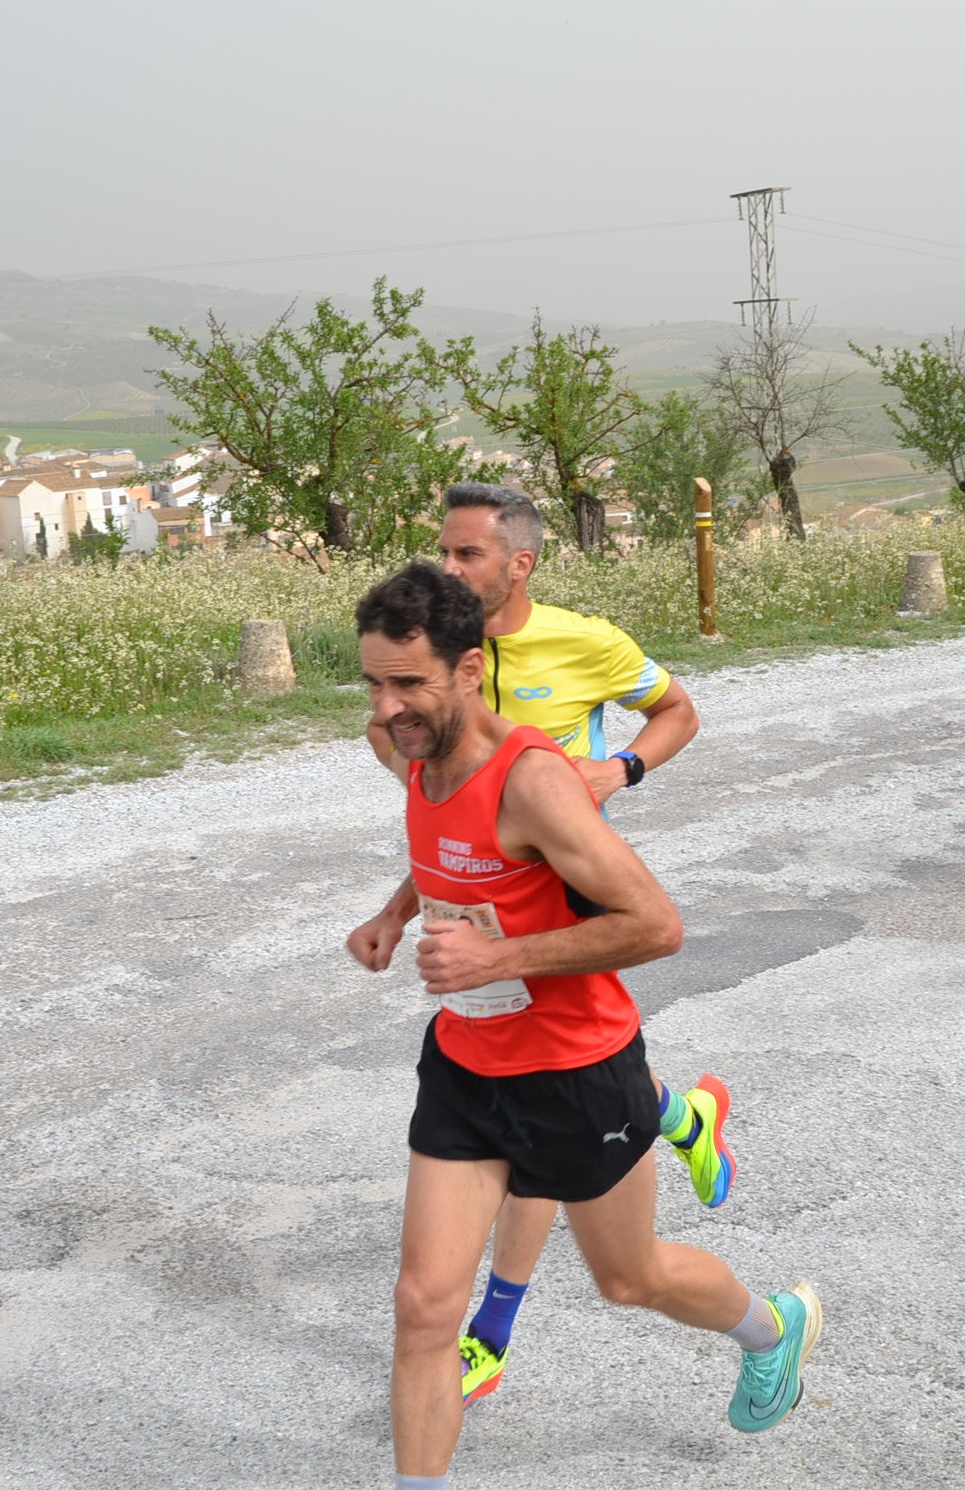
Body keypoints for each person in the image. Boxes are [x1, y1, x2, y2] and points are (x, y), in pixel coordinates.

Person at [346, 562, 821, 1487]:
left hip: (577, 1071)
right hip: (466, 1067)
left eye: (409, 684)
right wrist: (397, 913)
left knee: (628, 1279)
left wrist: (499, 958)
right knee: (422, 1308)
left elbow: (657, 925)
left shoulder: (535, 783)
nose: (387, 707)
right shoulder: (404, 749)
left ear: (468, 669)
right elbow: (456, 856)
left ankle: (772, 1326)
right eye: (373, 682)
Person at [364, 481, 726, 1405]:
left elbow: (679, 710)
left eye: (468, 554)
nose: (448, 566)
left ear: (518, 563)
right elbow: (449, 825)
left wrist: (620, 768)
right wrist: (403, 910)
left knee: (564, 1129)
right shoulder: (426, 665)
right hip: (497, 935)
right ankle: (673, 1119)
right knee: (527, 1120)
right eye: (442, 551)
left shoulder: (585, 641)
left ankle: (495, 1321)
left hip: (575, 892)